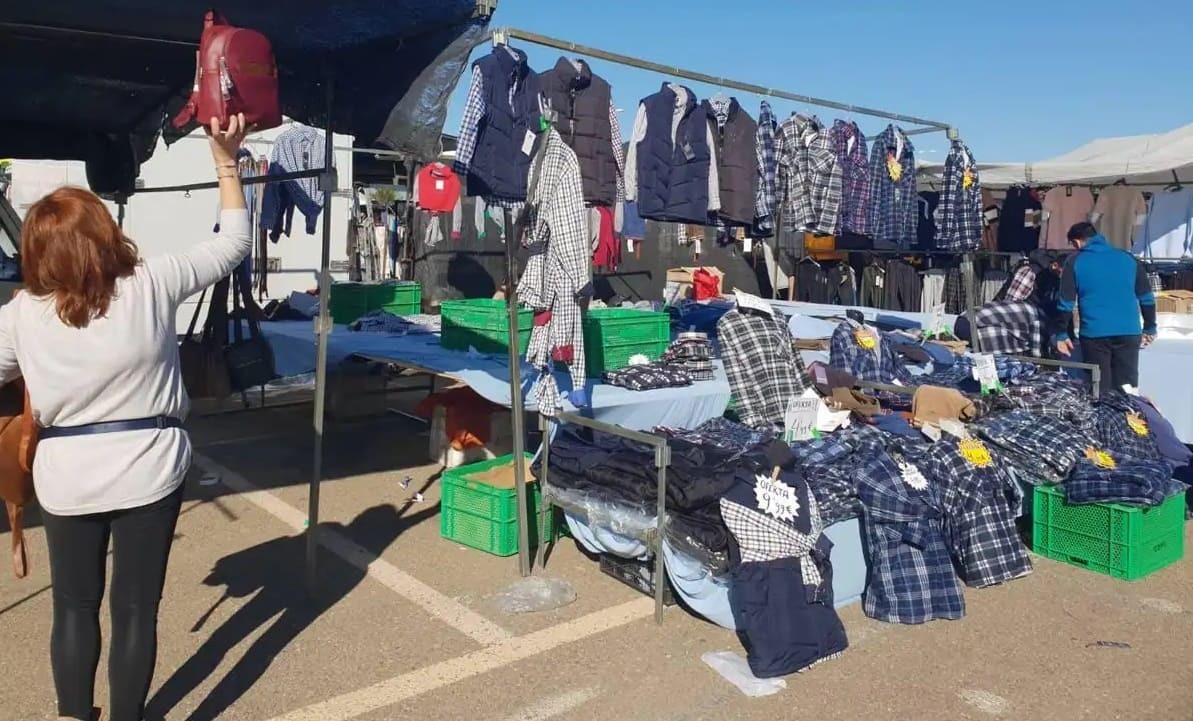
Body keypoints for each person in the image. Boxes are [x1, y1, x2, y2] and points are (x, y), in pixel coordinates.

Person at [0, 115, 251, 721]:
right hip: (150, 470)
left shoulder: (20, 316)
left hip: (67, 476)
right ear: (102, 234)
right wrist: (225, 161)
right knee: (136, 611)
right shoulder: (150, 282)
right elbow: (233, 244)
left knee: (72, 609)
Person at [1054, 221, 1156, 394]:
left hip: (1094, 334)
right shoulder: (1128, 258)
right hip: (1129, 332)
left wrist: (1062, 333)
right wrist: (1150, 327)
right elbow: (1146, 298)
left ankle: (1103, 419)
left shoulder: (1075, 261)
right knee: (1128, 389)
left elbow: (1066, 302)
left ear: (1077, 242)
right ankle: (1129, 418)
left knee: (1099, 389)